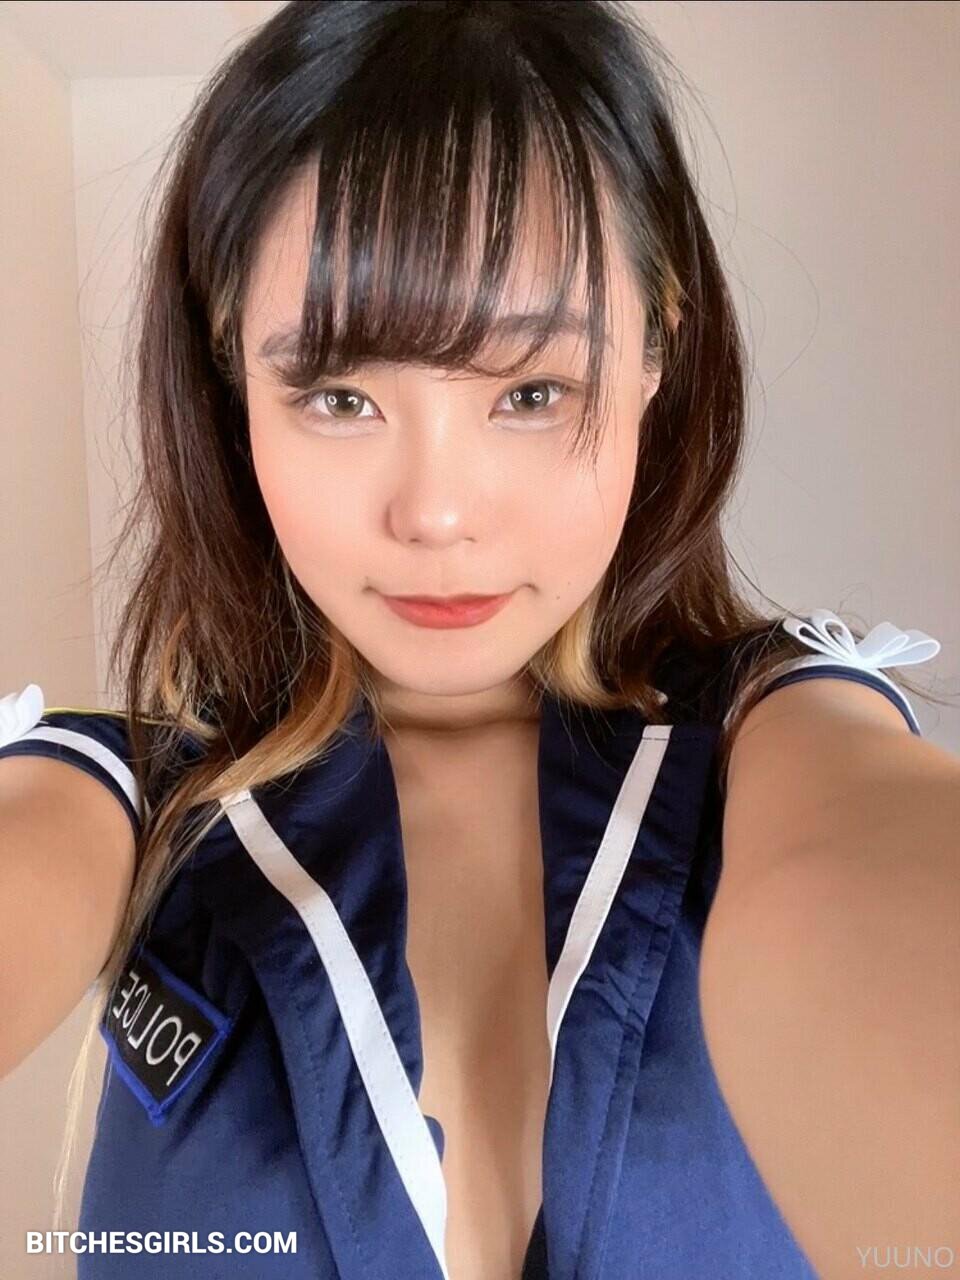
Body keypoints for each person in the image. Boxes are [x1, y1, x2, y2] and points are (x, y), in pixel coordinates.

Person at [0, 3, 954, 1278]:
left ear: (659, 351)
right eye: (340, 395)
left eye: (531, 391)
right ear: (235, 390)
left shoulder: (779, 734)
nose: (436, 514)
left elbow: (865, 874)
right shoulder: (129, 802)